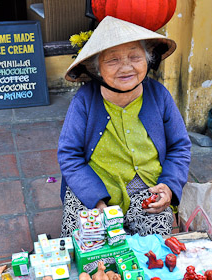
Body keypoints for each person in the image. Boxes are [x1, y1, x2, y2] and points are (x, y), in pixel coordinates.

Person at [58, 16, 191, 237]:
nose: (126, 67)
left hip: (147, 186)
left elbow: (180, 147)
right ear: (96, 68)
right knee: (84, 245)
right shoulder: (84, 100)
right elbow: (69, 155)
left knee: (155, 246)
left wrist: (168, 185)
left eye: (135, 57)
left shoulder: (160, 96)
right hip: (95, 186)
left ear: (148, 60)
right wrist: (96, 201)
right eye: (113, 60)